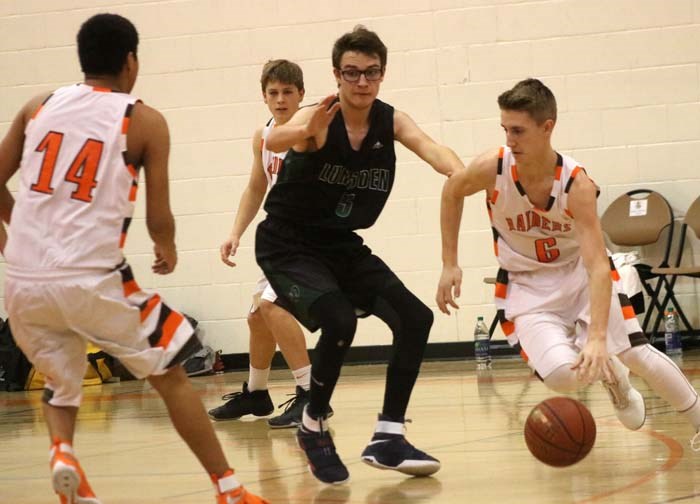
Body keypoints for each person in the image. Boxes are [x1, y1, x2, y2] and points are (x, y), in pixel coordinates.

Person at [0, 13, 267, 504]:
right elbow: (157, 215)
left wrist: (15, 237)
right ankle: (229, 489)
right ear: (130, 62)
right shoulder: (142, 119)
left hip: (21, 281)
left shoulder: (37, 105)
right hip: (90, 279)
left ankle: (64, 456)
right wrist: (167, 248)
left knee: (62, 379)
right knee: (171, 372)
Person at [436, 78, 700, 449]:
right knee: (562, 375)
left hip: (579, 274)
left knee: (634, 351)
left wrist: (595, 339)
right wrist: (450, 262)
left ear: (547, 128)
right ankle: (612, 375)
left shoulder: (576, 185)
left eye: (518, 131)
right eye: (505, 130)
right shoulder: (492, 168)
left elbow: (596, 265)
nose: (509, 140)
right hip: (526, 284)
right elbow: (451, 191)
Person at [257, 25, 464, 484]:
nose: (362, 82)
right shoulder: (319, 118)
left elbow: (433, 150)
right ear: (336, 75)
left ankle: (388, 436)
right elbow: (270, 141)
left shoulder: (391, 121)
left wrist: (462, 174)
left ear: (382, 74)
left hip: (338, 243)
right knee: (339, 319)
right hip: (287, 242)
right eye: (352, 73)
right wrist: (301, 129)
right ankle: (312, 425)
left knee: (415, 318)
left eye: (371, 73)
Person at [208, 59, 332, 428]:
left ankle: (313, 398)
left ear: (301, 96)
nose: (280, 100)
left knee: (271, 307)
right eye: (273, 93)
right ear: (264, 97)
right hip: (282, 238)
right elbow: (256, 187)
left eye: (287, 92)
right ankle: (257, 393)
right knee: (257, 318)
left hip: (312, 239)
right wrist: (235, 233)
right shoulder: (262, 136)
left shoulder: (311, 133)